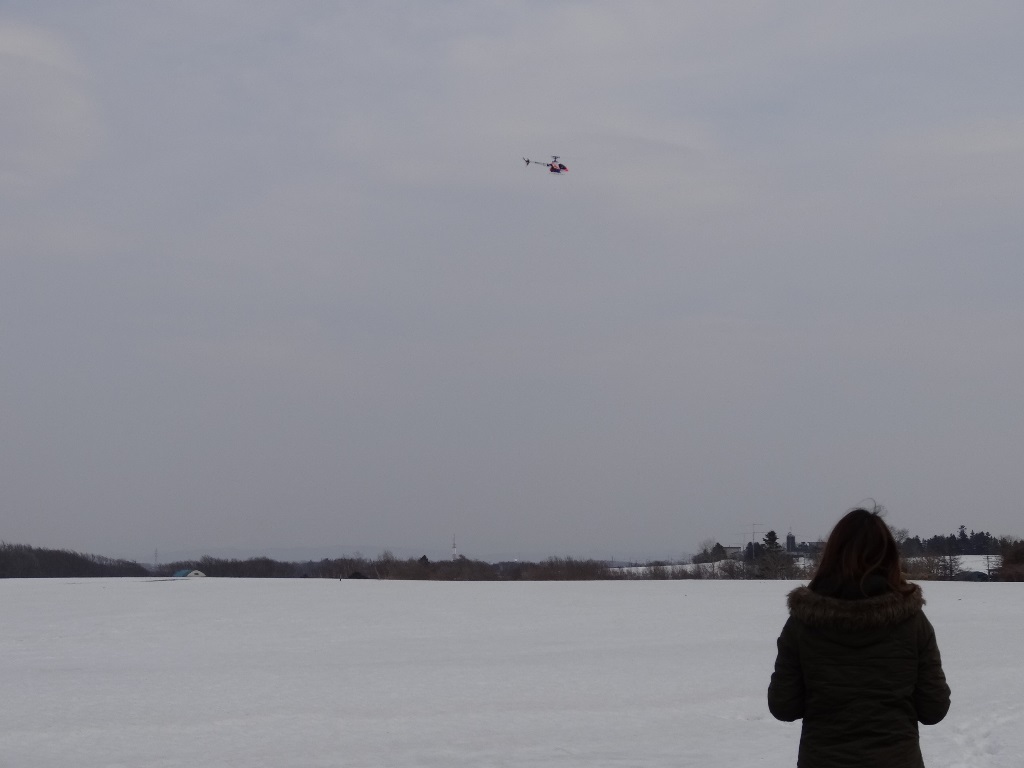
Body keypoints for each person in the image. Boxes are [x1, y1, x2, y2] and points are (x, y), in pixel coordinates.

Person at [768, 507, 950, 767]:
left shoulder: (803, 623)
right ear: (889, 556)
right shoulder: (913, 622)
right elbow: (934, 708)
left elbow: (784, 706)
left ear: (831, 554)